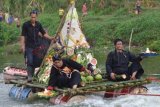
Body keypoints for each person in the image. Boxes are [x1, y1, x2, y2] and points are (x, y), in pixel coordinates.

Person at [20, 10, 55, 82]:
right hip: (29, 46)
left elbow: (44, 33)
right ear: (30, 17)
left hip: (37, 47)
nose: (33, 19)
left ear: (36, 17)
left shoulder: (38, 24)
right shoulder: (25, 25)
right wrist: (22, 45)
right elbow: (23, 36)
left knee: (36, 61)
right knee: (30, 60)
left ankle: (34, 76)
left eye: (34, 17)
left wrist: (51, 37)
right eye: (32, 17)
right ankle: (29, 76)